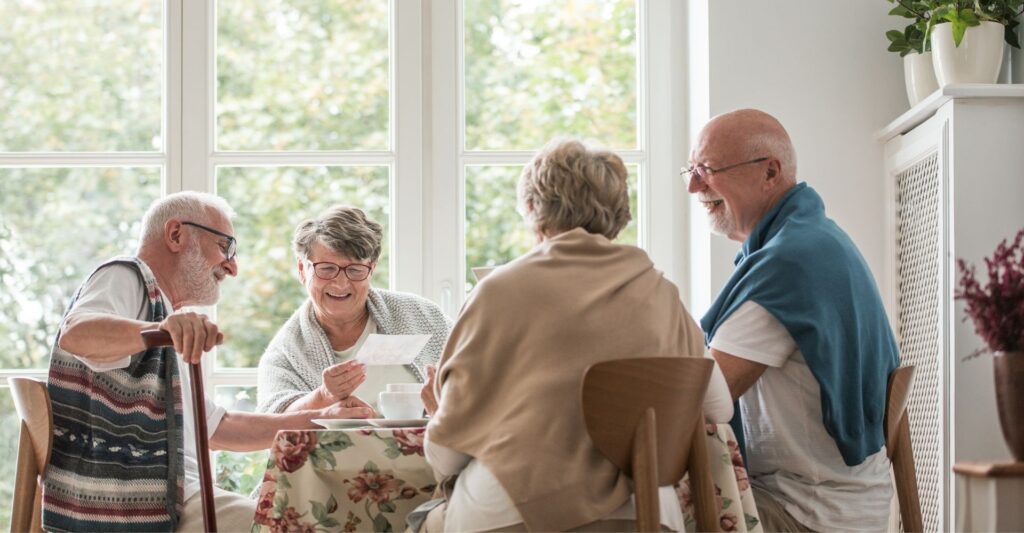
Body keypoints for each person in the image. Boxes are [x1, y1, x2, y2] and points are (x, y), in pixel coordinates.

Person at [419, 138, 734, 532]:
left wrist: (438, 417)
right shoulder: (663, 294)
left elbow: (446, 457)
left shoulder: (500, 291)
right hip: (646, 515)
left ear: (533, 208)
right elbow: (719, 409)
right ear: (620, 213)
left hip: (509, 511)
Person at [43, 192, 373, 533]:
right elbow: (76, 333)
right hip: (138, 502)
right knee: (302, 525)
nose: (233, 266)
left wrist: (320, 418)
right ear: (175, 235)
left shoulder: (165, 315)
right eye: (225, 246)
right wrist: (159, 329)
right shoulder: (127, 277)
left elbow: (216, 428)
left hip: (170, 496)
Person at [687, 109, 900, 532]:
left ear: (770, 172)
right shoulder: (814, 240)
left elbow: (699, 399)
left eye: (707, 170)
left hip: (808, 513)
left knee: (635, 515)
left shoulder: (789, 266)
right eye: (690, 171)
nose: (694, 185)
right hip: (843, 502)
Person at [256, 205, 451, 414]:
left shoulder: (422, 316)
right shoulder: (287, 350)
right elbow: (272, 418)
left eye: (355, 270)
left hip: (423, 446)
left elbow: (478, 380)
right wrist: (323, 397)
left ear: (372, 269)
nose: (341, 284)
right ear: (303, 270)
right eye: (327, 269)